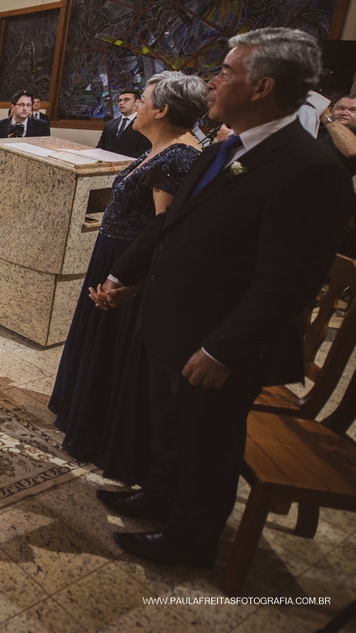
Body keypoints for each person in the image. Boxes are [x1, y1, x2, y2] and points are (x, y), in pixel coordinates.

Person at [91, 28, 351, 569]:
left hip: (218, 340)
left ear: (263, 87)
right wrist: (124, 277)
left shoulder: (310, 169)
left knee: (208, 440)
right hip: (172, 319)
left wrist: (224, 350)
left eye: (228, 71)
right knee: (170, 422)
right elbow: (172, 225)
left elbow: (287, 282)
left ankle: (191, 537)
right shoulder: (227, 145)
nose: (214, 81)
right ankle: (159, 495)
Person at [48, 72, 206, 485]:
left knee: (115, 350)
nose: (137, 105)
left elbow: (164, 227)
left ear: (162, 109)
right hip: (113, 254)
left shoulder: (180, 156)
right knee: (97, 341)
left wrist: (126, 278)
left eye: (144, 98)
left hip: (131, 264)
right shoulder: (161, 149)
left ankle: (103, 431)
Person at [97, 89, 150, 158]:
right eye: (120, 100)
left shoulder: (145, 124)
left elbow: (144, 152)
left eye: (126, 99)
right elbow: (100, 149)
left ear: (137, 102)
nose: (121, 103)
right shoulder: (109, 124)